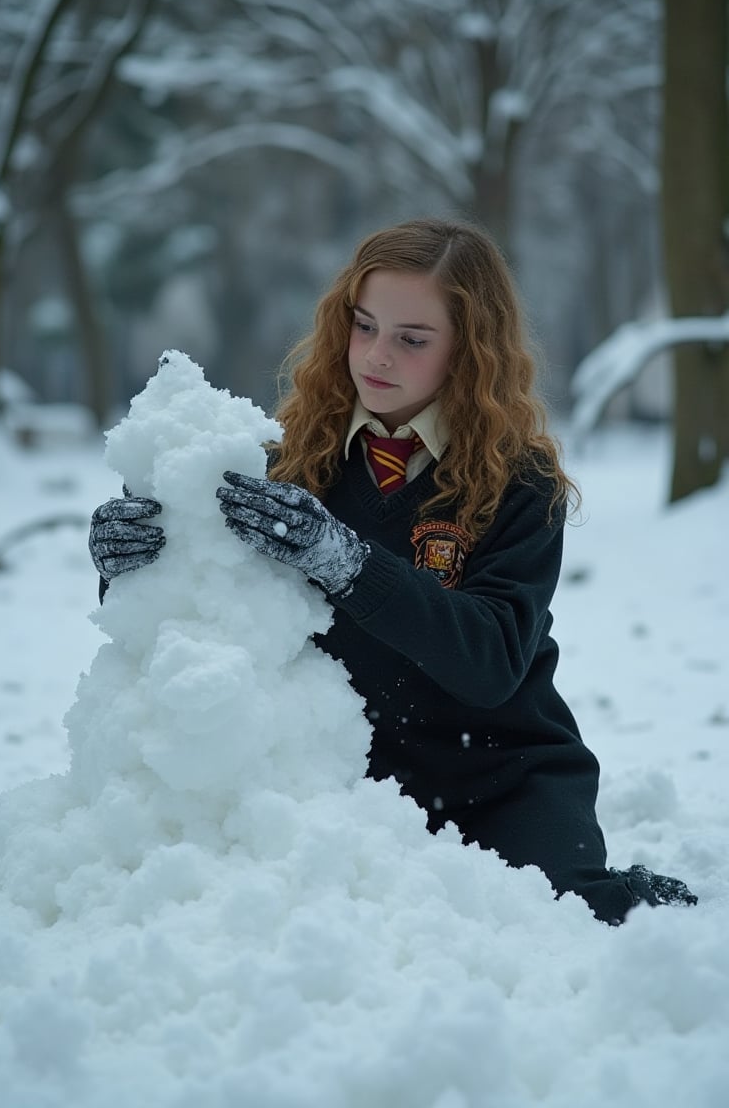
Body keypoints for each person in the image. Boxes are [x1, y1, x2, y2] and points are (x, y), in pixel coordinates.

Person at [90, 218, 696, 925]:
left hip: (503, 775)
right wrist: (127, 568)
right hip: (345, 780)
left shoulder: (520, 483)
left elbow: (492, 659)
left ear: (469, 351)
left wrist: (343, 559)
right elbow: (207, 609)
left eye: (411, 339)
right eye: (365, 326)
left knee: (557, 918)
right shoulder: (288, 464)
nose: (377, 356)